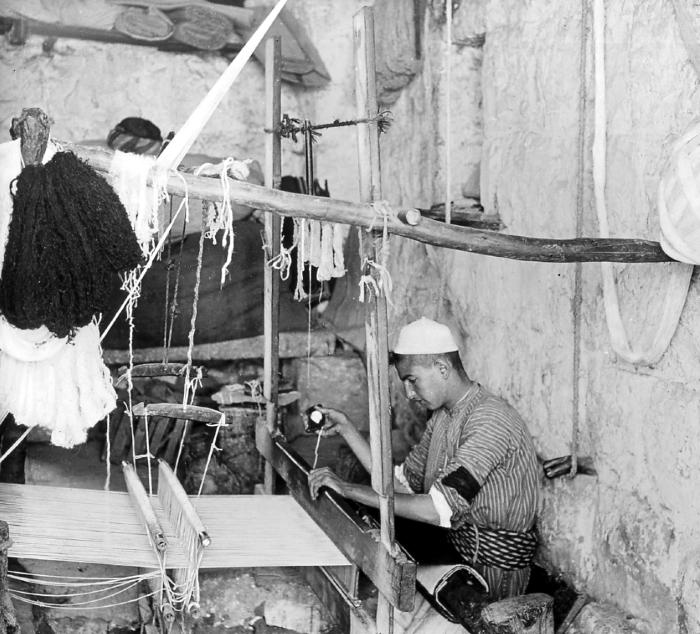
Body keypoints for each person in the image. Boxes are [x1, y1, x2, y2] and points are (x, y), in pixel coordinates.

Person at [308, 317, 541, 609]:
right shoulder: (443, 418)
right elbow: (397, 486)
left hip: (494, 581)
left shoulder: (490, 421)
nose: (408, 393)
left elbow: (436, 510)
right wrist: (346, 429)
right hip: (459, 561)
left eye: (411, 380)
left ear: (442, 368)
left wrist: (349, 490)